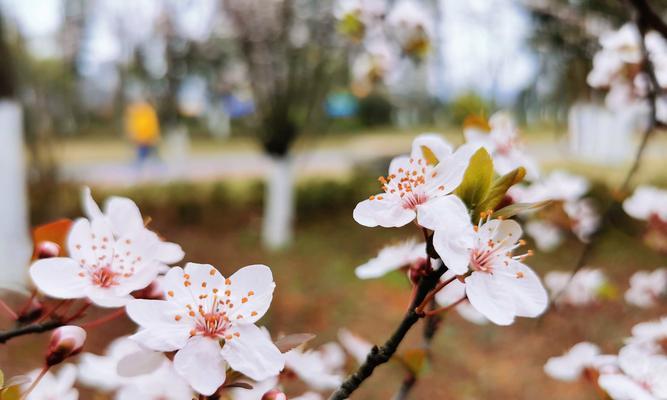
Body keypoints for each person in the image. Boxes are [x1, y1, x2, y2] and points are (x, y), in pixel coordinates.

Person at [125, 100, 160, 165]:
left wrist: (154, 135)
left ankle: (155, 165)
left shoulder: (149, 113)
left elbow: (152, 125)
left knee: (152, 154)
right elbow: (133, 126)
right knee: (144, 154)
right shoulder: (137, 114)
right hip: (142, 138)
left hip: (147, 137)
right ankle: (142, 165)